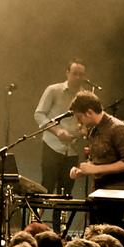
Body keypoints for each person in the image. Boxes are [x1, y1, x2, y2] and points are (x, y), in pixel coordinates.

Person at [69, 90, 124, 225]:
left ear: (89, 112)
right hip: (99, 192)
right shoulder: (93, 130)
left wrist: (94, 169)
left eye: (79, 117)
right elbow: (96, 161)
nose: (79, 122)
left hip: (117, 193)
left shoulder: (117, 128)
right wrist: (82, 171)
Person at [34, 59, 88, 196]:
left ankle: (58, 218)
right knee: (47, 187)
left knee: (66, 191)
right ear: (67, 73)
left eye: (81, 74)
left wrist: (84, 129)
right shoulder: (53, 90)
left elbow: (88, 120)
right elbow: (39, 114)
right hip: (52, 146)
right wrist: (57, 130)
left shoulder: (85, 96)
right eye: (75, 73)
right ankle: (36, 217)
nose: (78, 77)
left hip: (72, 150)